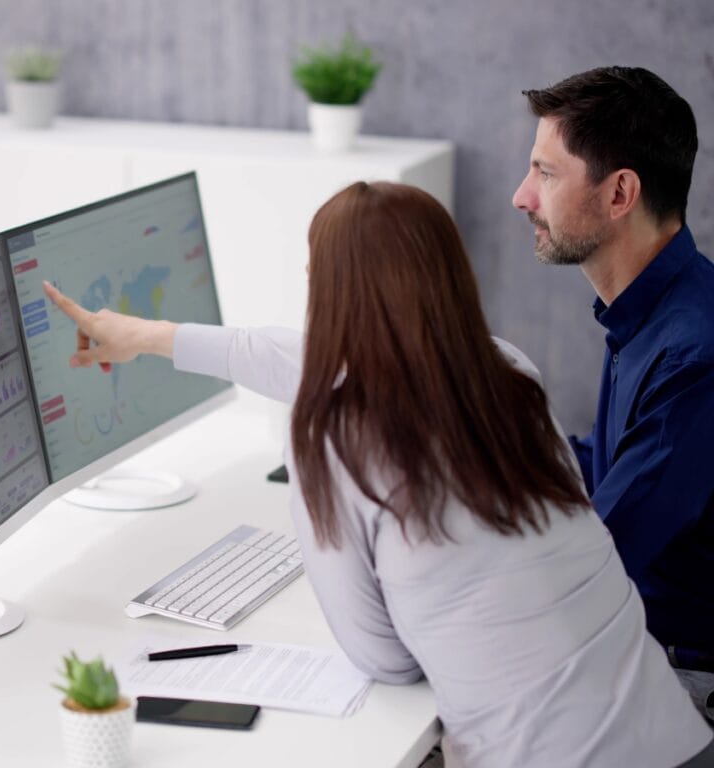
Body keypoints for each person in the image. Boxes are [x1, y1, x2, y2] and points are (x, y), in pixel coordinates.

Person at [43, 181, 714, 767]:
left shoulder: (333, 440)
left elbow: (387, 661)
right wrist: (153, 337)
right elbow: (308, 355)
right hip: (676, 737)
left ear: (332, 296)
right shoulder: (509, 374)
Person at [512, 67, 714, 708]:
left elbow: (595, 559)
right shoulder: (649, 311)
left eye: (545, 173)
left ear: (620, 192)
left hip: (682, 678)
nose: (523, 197)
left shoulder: (693, 354)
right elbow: (607, 464)